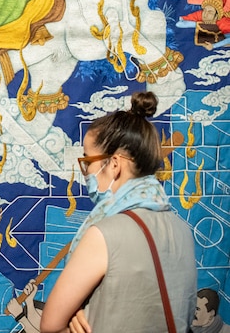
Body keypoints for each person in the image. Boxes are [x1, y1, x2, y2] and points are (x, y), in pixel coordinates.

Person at [40, 91, 197, 333]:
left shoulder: (103, 234)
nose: (86, 172)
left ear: (114, 164)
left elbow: (50, 325)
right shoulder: (182, 231)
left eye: (88, 161)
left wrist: (74, 315)